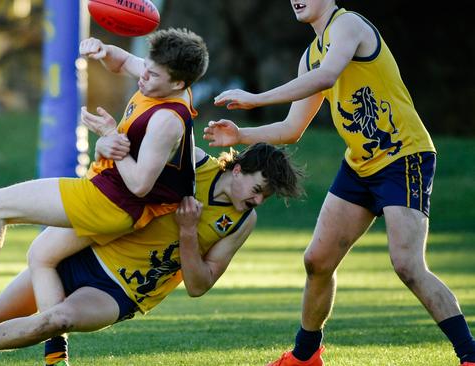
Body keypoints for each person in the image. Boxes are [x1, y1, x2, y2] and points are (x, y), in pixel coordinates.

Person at [203, 1, 475, 365]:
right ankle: (305, 357)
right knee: (317, 260)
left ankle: (469, 354)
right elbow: (291, 129)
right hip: (360, 165)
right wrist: (240, 135)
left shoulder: (348, 27)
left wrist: (256, 99)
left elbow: (328, 77)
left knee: (407, 264)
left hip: (403, 156)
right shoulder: (309, 56)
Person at [0, 28, 209, 340]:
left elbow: (140, 185)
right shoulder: (162, 78)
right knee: (43, 255)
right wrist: (103, 49)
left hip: (109, 201)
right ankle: (56, 358)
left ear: (178, 83)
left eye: (152, 75)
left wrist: (111, 138)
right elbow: (124, 60)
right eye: (147, 68)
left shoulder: (165, 121)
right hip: (110, 196)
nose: (143, 76)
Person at [0, 142, 306, 366]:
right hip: (85, 253)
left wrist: (186, 234)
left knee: (58, 319)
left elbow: (199, 286)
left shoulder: (240, 222)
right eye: (258, 190)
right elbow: (148, 142)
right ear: (237, 170)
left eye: (266, 196)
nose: (258, 201)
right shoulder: (192, 165)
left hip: (120, 292)